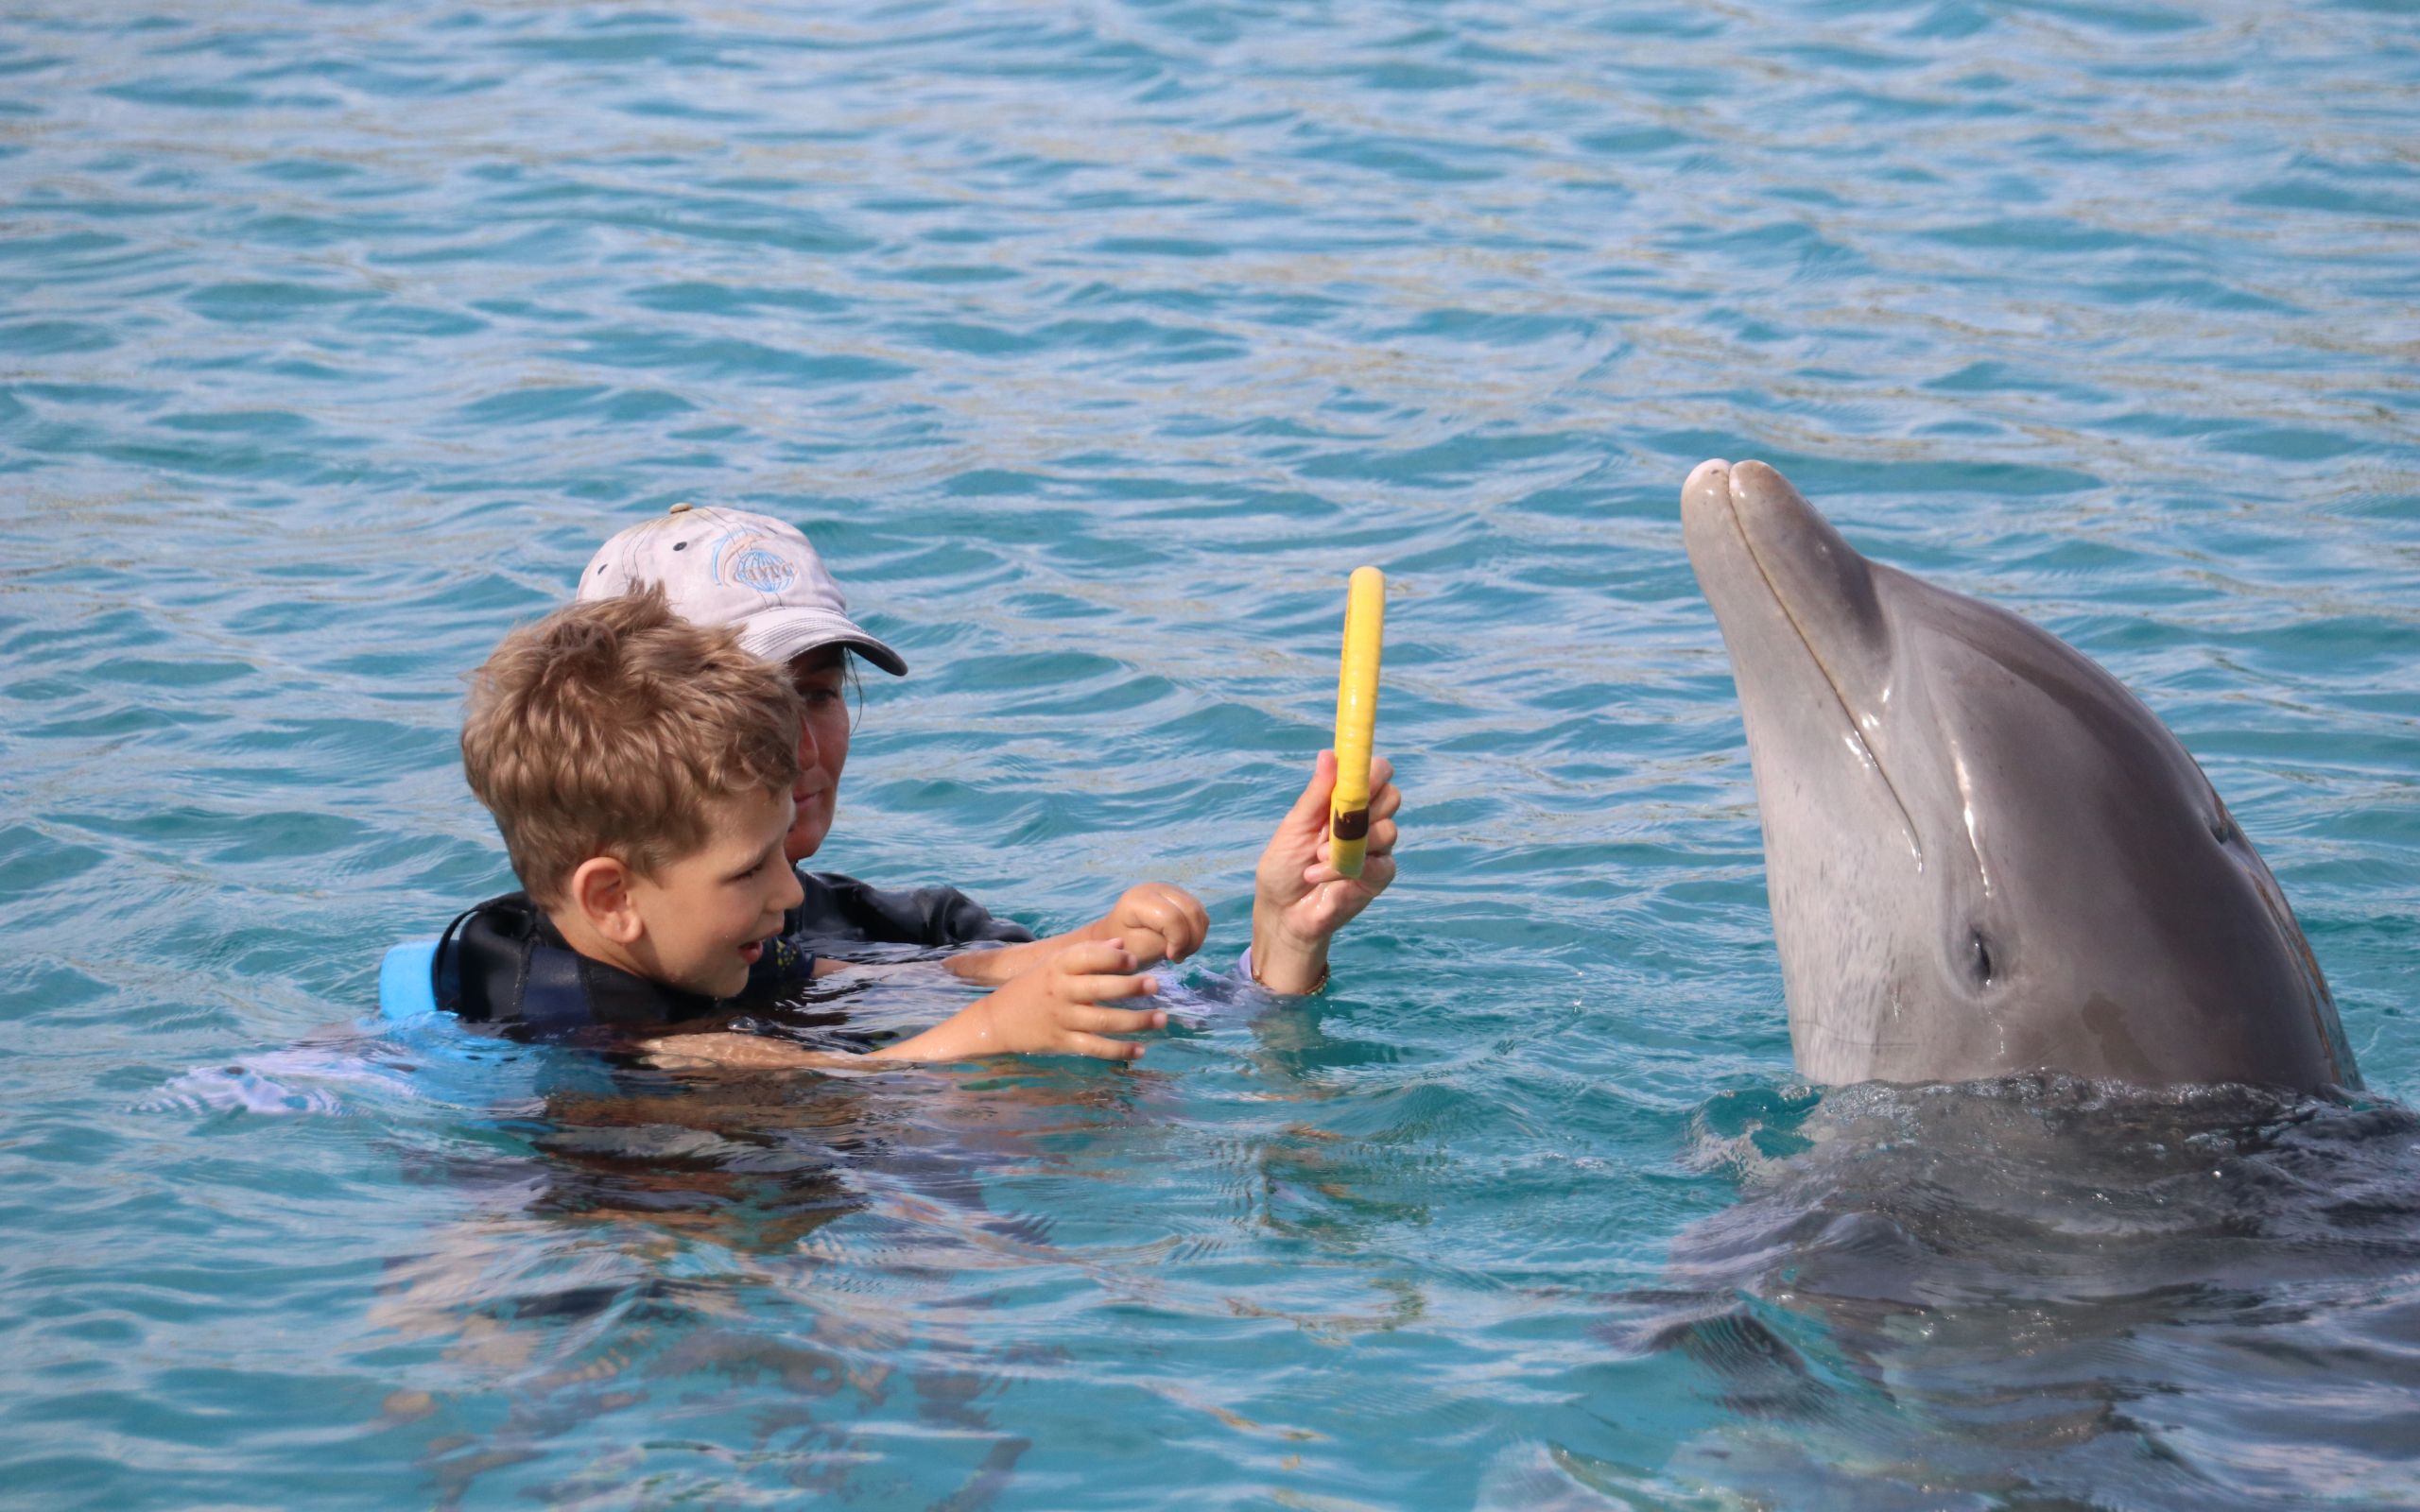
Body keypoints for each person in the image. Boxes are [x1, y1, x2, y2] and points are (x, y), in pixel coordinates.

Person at [571, 505, 1399, 1002]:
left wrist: (1288, 935)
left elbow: (1184, 1050)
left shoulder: (920, 930)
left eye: (818, 694)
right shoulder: (547, 965)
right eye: (756, 703)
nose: (797, 744)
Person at [440, 586, 1175, 1063]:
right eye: (750, 869)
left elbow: (891, 980)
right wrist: (999, 1029)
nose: (791, 894)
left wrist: (1090, 947)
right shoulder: (583, 1009)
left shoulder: (690, 937)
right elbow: (836, 1084)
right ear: (612, 900)